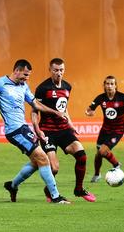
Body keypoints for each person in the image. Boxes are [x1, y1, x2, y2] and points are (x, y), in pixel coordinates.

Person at [0, 59, 70, 204]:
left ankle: (12, 186)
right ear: (16, 70)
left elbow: (35, 104)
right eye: (25, 74)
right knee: (43, 158)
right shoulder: (0, 83)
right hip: (14, 130)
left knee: (37, 162)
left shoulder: (23, 86)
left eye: (28, 75)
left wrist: (55, 112)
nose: (26, 78)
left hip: (23, 128)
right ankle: (56, 197)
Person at [32, 58, 96, 202]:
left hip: (64, 129)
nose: (59, 73)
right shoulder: (43, 88)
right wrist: (37, 129)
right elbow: (35, 109)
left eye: (61, 70)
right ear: (50, 70)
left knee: (82, 156)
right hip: (48, 131)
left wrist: (71, 124)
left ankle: (78, 189)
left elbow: (64, 106)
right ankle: (49, 190)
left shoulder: (67, 86)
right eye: (55, 70)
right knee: (54, 168)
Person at [85, 75, 124, 182]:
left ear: (115, 86)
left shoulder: (123, 97)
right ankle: (97, 174)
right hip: (104, 130)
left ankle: (116, 164)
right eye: (107, 84)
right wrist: (89, 112)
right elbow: (89, 109)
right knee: (98, 154)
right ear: (104, 86)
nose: (109, 86)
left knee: (102, 151)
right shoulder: (100, 98)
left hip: (117, 131)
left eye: (112, 84)